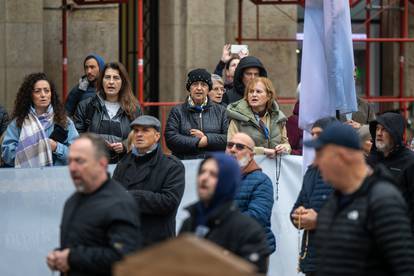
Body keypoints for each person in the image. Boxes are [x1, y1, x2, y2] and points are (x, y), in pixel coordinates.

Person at [305, 122, 414, 275]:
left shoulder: (383, 200)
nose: (315, 163)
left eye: (320, 155)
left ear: (341, 157)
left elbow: (405, 268)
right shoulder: (335, 201)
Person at [46, 133, 141, 276]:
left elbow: (124, 257)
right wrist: (59, 256)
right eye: (70, 161)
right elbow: (78, 244)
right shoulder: (72, 201)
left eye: (79, 161)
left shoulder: (119, 203)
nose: (72, 168)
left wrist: (72, 257)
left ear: (102, 164)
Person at [179, 153, 269, 273]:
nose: (204, 178)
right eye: (202, 172)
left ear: (227, 182)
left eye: (213, 174)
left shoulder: (249, 232)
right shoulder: (190, 222)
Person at [113, 115, 185, 247]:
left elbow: (169, 202)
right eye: (136, 130)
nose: (139, 134)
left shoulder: (172, 166)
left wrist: (130, 196)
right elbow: (113, 199)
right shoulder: (123, 164)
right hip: (127, 242)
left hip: (158, 245)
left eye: (145, 130)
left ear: (157, 136)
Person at [290, 117, 337, 275]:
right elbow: (298, 206)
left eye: (319, 134)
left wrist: (319, 221)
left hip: (338, 259)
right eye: (313, 134)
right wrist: (297, 215)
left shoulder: (346, 172)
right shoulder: (311, 171)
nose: (314, 138)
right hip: (312, 257)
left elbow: (355, 216)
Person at [2, 73, 78, 167]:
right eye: (37, 91)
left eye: (47, 91)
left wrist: (56, 147)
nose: (43, 95)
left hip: (57, 177)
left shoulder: (65, 122)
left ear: (51, 94)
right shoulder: (18, 122)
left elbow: (77, 155)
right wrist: (30, 150)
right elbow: (6, 153)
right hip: (26, 178)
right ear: (30, 95)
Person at [74, 62, 142, 164]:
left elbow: (141, 135)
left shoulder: (134, 109)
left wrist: (125, 145)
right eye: (107, 77)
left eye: (116, 78)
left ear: (123, 82)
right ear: (101, 81)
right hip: (93, 165)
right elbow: (75, 136)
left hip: (124, 167)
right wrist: (95, 143)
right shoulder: (86, 106)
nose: (111, 82)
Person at [225, 132, 276, 257]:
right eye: (230, 145)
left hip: (251, 251)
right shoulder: (218, 179)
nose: (232, 149)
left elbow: (257, 217)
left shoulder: (262, 181)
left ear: (251, 155)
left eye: (240, 147)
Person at [165, 68, 228, 160]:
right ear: (189, 88)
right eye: (195, 84)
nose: (199, 88)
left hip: (213, 164)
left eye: (203, 85)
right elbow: (171, 139)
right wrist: (198, 142)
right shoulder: (177, 111)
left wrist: (207, 139)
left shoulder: (221, 111)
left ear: (208, 89)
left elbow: (228, 138)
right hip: (185, 163)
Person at [227, 77, 291, 157]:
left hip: (272, 167)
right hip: (246, 167)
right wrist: (263, 151)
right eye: (251, 92)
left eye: (258, 92)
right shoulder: (237, 117)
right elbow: (231, 147)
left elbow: (286, 144)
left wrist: (284, 148)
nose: (254, 95)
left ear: (269, 96)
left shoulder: (278, 118)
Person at [367, 112, 414, 183]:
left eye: (384, 129)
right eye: (377, 129)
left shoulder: (410, 161)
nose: (379, 133)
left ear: (395, 134)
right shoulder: (372, 158)